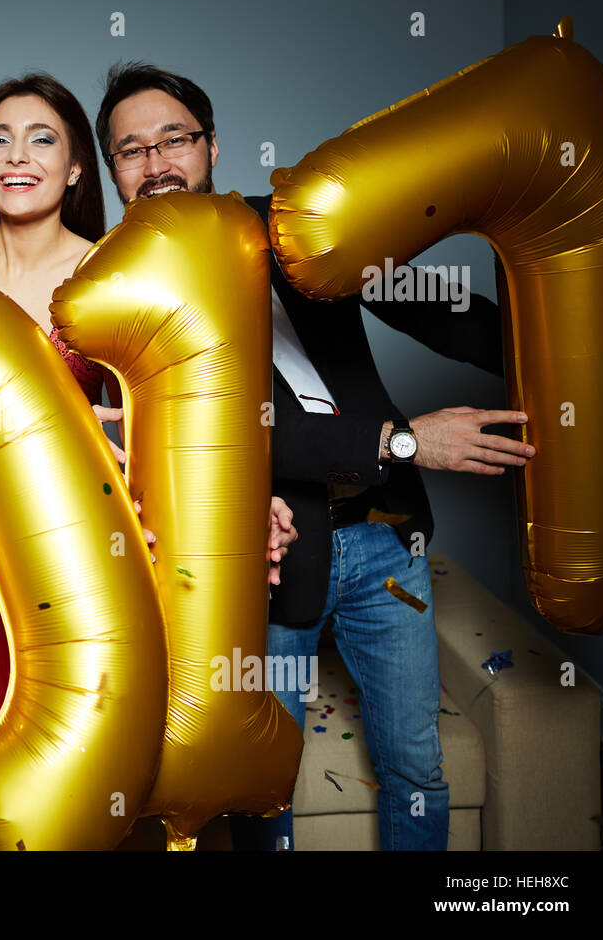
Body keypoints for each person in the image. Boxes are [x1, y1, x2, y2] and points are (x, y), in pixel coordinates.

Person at [94, 63, 536, 850]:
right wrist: (404, 439)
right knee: (268, 788)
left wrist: (552, 344)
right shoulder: (116, 298)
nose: (156, 161)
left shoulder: (299, 228)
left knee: (417, 768)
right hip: (263, 563)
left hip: (388, 542)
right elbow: (236, 440)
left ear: (212, 145)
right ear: (113, 173)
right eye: (131, 150)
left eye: (173, 139)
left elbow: (431, 306)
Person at [0, 74, 297, 762]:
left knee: (76, 747)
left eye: (43, 140)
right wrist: (72, 434)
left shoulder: (114, 270)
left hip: (81, 538)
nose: (16, 156)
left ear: (74, 169)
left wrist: (249, 502)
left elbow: (170, 417)